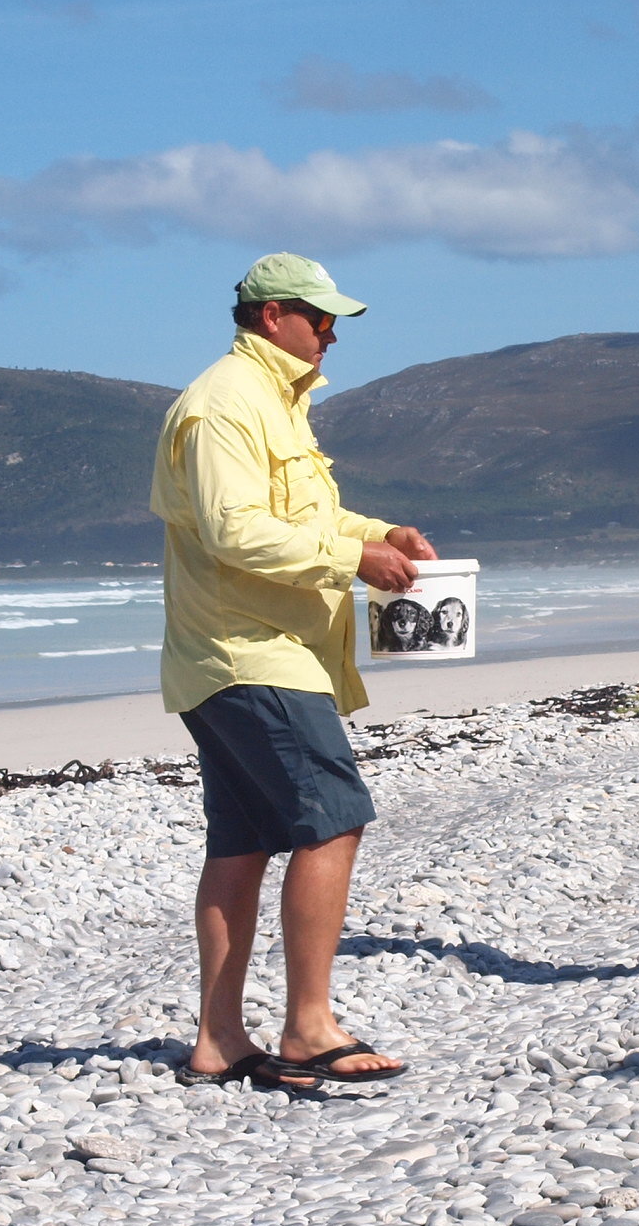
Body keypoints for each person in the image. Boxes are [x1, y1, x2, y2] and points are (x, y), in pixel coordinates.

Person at [150, 251, 438, 1092]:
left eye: (334, 321)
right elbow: (234, 531)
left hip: (247, 652)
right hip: (249, 650)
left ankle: (218, 1039)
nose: (331, 335)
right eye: (320, 319)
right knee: (333, 819)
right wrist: (355, 557)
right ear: (271, 314)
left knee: (242, 842)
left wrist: (382, 531)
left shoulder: (271, 400)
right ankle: (308, 1026)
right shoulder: (224, 404)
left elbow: (299, 511)